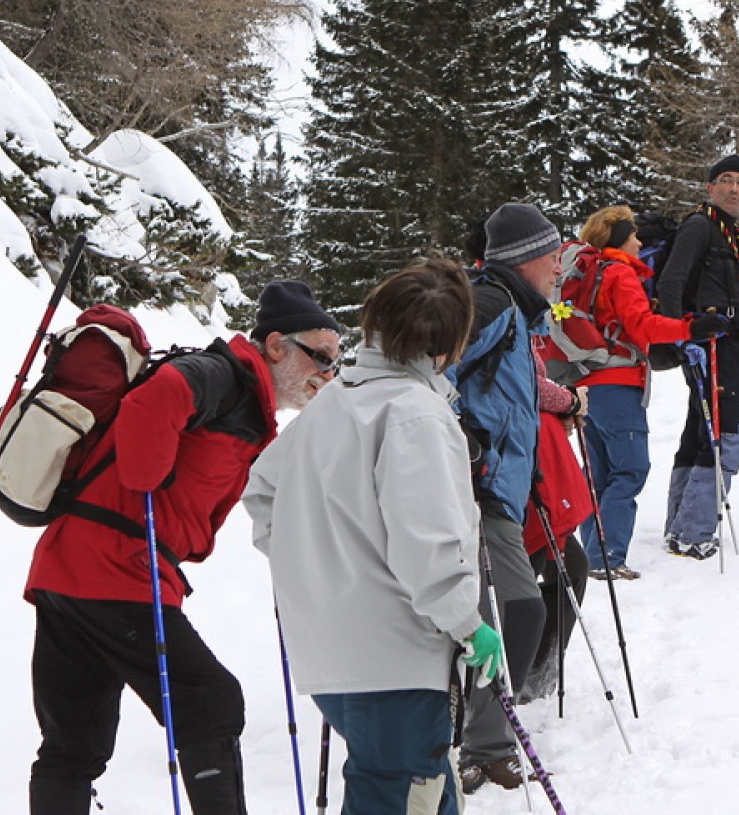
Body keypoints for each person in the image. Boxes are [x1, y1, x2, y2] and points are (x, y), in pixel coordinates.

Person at [23, 281, 341, 815]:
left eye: (334, 364)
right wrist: (144, 473)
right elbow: (158, 396)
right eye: (321, 358)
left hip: (69, 568)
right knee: (211, 703)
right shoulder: (225, 375)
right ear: (277, 346)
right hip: (115, 569)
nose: (326, 375)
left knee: (74, 743)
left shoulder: (248, 403)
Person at [244, 256, 503, 815]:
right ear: (446, 347)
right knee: (401, 788)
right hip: (395, 657)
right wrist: (468, 623)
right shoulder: (416, 416)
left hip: (338, 653)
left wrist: (312, 567)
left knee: (422, 789)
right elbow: (428, 545)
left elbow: (263, 488)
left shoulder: (338, 399)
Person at [449, 202, 559, 794]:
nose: (559, 268)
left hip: (497, 488)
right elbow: (429, 367)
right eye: (554, 256)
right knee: (516, 610)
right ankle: (479, 743)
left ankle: (481, 742)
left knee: (504, 613)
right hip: (474, 488)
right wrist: (457, 436)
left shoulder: (516, 312)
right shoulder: (492, 302)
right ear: (528, 259)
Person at [571, 205, 729, 579]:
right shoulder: (620, 275)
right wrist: (691, 329)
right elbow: (641, 325)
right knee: (629, 470)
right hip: (618, 383)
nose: (640, 242)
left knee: (599, 471)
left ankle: (592, 553)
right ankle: (607, 557)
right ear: (618, 241)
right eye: (633, 236)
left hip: (585, 383)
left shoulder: (588, 273)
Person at [657, 154, 739, 561]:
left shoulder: (729, 233)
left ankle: (680, 527)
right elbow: (671, 280)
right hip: (708, 347)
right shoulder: (700, 226)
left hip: (725, 346)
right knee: (726, 435)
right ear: (710, 187)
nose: (734, 189)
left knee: (703, 430)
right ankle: (694, 533)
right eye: (726, 180)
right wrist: (679, 337)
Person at [519, 345, 591, 703]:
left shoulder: (524, 318)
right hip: (518, 478)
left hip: (539, 472)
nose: (556, 284)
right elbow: (524, 385)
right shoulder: (497, 313)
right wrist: (568, 401)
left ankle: (534, 674)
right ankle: (515, 678)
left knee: (571, 570)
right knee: (522, 585)